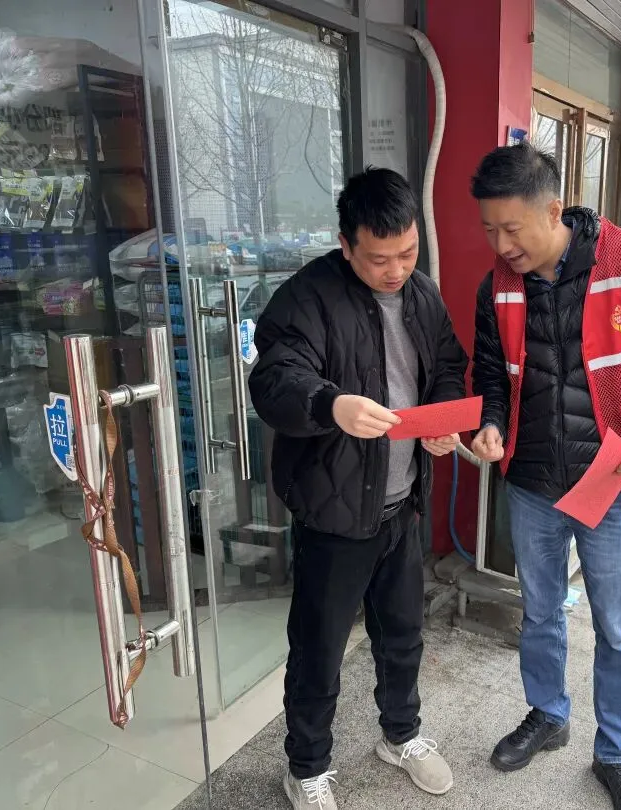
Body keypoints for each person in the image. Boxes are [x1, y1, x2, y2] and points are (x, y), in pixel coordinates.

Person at [468, 144, 621, 810]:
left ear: (552, 211)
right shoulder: (496, 286)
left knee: (617, 630)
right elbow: (492, 374)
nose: (501, 245)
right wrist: (490, 423)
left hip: (610, 484)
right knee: (539, 614)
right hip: (532, 483)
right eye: (490, 229)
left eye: (512, 228)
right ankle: (548, 714)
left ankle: (617, 752)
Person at [249, 168, 468, 810]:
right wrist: (330, 404)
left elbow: (446, 367)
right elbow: (275, 381)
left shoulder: (422, 294)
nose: (396, 269)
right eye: (379, 259)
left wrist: (443, 420)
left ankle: (402, 735)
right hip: (334, 510)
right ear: (346, 245)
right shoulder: (307, 298)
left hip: (402, 503)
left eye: (408, 252)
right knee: (319, 649)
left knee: (402, 634)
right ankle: (306, 768)